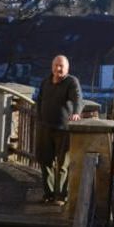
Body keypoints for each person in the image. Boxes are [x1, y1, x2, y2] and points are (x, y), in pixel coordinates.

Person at [36, 55, 82, 204]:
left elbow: (77, 99)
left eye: (61, 66)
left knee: (62, 165)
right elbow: (39, 100)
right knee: (45, 162)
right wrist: (39, 119)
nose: (58, 68)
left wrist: (76, 113)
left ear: (67, 68)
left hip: (63, 129)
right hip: (45, 128)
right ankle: (48, 194)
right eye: (56, 65)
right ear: (52, 66)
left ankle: (60, 196)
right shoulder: (45, 82)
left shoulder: (71, 82)